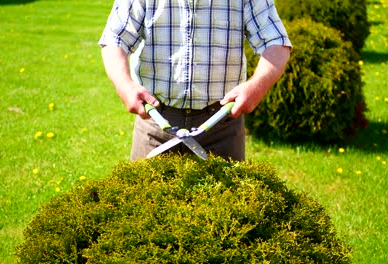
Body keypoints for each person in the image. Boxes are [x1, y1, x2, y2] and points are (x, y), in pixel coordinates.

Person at [99, 0, 291, 161]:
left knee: (227, 206)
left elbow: (276, 43)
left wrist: (256, 87)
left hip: (222, 128)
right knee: (142, 203)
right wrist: (125, 86)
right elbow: (115, 39)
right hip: (156, 126)